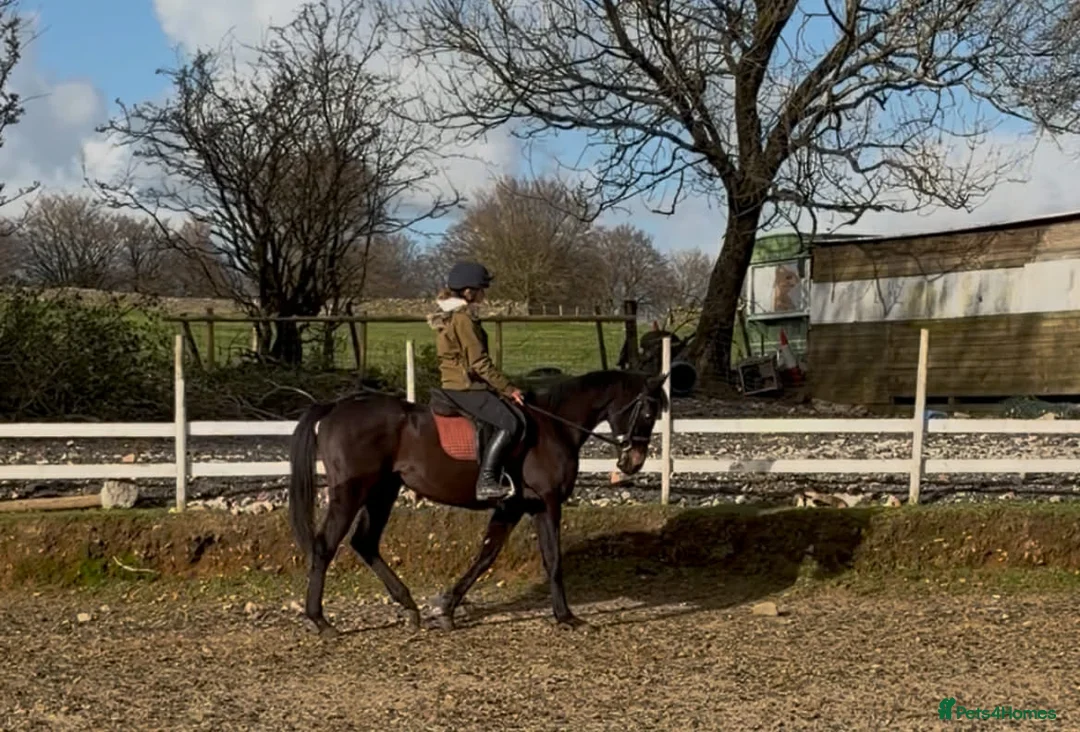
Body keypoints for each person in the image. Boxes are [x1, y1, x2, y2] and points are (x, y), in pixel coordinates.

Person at [428, 261, 525, 500]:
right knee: (510, 423)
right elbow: (479, 363)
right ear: (469, 291)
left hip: (454, 384)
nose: (484, 294)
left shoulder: (450, 314)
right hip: (464, 386)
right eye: (482, 289)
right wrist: (508, 388)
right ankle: (487, 480)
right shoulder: (463, 319)